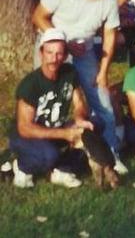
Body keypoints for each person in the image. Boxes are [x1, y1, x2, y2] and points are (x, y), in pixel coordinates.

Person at [31, 0, 128, 174]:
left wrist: (103, 72)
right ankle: (38, 156)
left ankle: (110, 153)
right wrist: (64, 43)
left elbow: (110, 36)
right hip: (53, 45)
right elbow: (38, 17)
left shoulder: (110, 0)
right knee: (45, 101)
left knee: (102, 99)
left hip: (84, 52)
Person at [10, 29, 94, 188]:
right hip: (26, 136)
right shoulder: (30, 84)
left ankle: (61, 170)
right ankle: (22, 167)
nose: (54, 59)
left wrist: (79, 118)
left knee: (94, 126)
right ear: (41, 53)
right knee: (49, 155)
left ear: (65, 55)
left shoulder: (69, 73)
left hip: (54, 129)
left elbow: (79, 103)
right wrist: (65, 134)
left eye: (59, 53)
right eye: (49, 53)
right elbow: (24, 128)